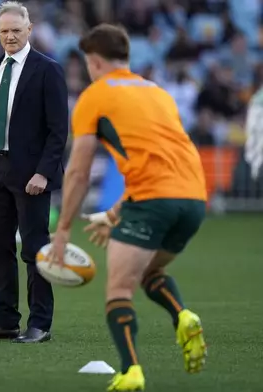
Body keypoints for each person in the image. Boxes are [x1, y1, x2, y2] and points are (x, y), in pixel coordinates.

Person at [48, 24, 208, 391]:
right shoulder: (157, 92)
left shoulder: (94, 95)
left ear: (94, 61)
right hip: (194, 199)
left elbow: (78, 171)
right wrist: (115, 213)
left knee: (119, 290)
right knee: (149, 273)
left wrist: (62, 230)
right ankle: (182, 315)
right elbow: (158, 160)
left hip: (152, 202)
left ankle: (131, 371)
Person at [0, 1, 68, 344]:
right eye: (4, 31)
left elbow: (58, 130)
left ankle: (40, 323)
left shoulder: (48, 70)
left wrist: (44, 174)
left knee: (35, 249)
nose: (10, 37)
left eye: (16, 30)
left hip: (32, 174)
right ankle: (5, 319)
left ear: (29, 30)